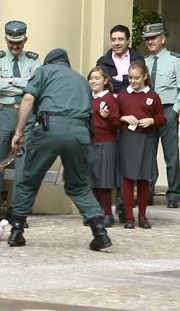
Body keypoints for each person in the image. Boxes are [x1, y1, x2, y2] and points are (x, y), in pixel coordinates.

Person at [8, 48, 111, 251]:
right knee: (79, 184)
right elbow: (91, 114)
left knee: (29, 179)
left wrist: (19, 132)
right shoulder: (82, 80)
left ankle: (17, 231)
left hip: (50, 128)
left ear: (49, 63)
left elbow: (28, 99)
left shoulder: (44, 72)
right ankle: (100, 231)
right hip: (80, 132)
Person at [0, 20, 41, 200]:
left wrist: (9, 80)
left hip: (26, 115)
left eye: (18, 42)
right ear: (6, 40)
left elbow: (35, 86)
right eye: (11, 42)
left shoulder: (34, 59)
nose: (14, 45)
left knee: (24, 164)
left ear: (25, 40)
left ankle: (19, 210)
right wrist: (23, 83)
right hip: (1, 112)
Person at [143, 23, 180, 208]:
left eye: (154, 37)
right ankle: (147, 193)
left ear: (163, 39)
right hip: (148, 113)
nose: (150, 41)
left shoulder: (175, 60)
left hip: (167, 110)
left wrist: (174, 112)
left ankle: (173, 195)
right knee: (148, 155)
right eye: (147, 38)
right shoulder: (144, 62)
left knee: (171, 156)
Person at [117, 61, 166, 229]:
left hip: (147, 139)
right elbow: (114, 117)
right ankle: (129, 217)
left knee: (144, 178)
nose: (133, 81)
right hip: (128, 140)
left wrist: (152, 120)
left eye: (136, 78)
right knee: (128, 179)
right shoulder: (123, 96)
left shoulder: (153, 97)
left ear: (145, 76)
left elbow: (162, 119)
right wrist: (123, 118)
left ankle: (143, 216)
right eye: (130, 78)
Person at [87, 66, 120, 227]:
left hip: (106, 142)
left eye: (97, 78)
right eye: (91, 78)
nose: (94, 81)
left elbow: (117, 123)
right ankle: (96, 213)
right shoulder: (88, 99)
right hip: (91, 143)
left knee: (104, 181)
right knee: (92, 180)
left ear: (105, 81)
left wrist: (108, 117)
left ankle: (108, 213)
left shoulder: (110, 99)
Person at [96, 25, 144, 93]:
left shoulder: (138, 59)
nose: (116, 43)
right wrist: (129, 88)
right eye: (113, 40)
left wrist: (121, 78)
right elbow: (106, 83)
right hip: (110, 101)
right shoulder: (102, 62)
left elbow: (140, 80)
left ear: (128, 41)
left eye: (120, 39)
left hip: (133, 101)